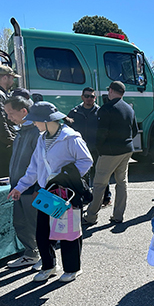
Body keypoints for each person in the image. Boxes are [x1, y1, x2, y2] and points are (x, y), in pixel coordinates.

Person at [8, 102, 93, 282]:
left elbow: (86, 161)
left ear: (47, 120)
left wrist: (66, 178)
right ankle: (49, 266)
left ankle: (73, 269)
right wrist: (20, 187)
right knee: (43, 232)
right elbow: (33, 168)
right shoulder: (42, 138)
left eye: (36, 120)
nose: (34, 123)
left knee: (69, 232)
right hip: (47, 192)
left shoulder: (71, 137)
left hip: (67, 192)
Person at [82, 81, 138, 226]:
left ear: (111, 91)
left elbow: (102, 133)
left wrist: (98, 148)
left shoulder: (106, 109)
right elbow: (135, 130)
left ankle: (91, 216)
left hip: (109, 152)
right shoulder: (129, 109)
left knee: (99, 184)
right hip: (127, 149)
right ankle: (118, 215)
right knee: (122, 182)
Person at [4, 94, 41, 269]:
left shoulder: (36, 132)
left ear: (24, 111)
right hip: (18, 187)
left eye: (11, 113)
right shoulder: (21, 131)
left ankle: (47, 259)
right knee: (20, 222)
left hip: (31, 188)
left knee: (36, 224)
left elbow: (40, 164)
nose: (8, 117)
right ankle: (31, 254)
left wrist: (37, 187)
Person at [67, 87, 112, 206]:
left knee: (101, 174)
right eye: (86, 96)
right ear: (82, 97)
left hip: (97, 148)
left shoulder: (100, 111)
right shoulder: (74, 112)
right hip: (80, 149)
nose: (89, 99)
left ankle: (106, 198)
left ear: (95, 98)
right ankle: (85, 197)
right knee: (83, 175)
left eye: (92, 96)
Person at [0, 65, 18, 177]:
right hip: (3, 144)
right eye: (12, 78)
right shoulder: (0, 95)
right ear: (5, 78)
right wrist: (9, 139)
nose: (13, 81)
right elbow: (1, 120)